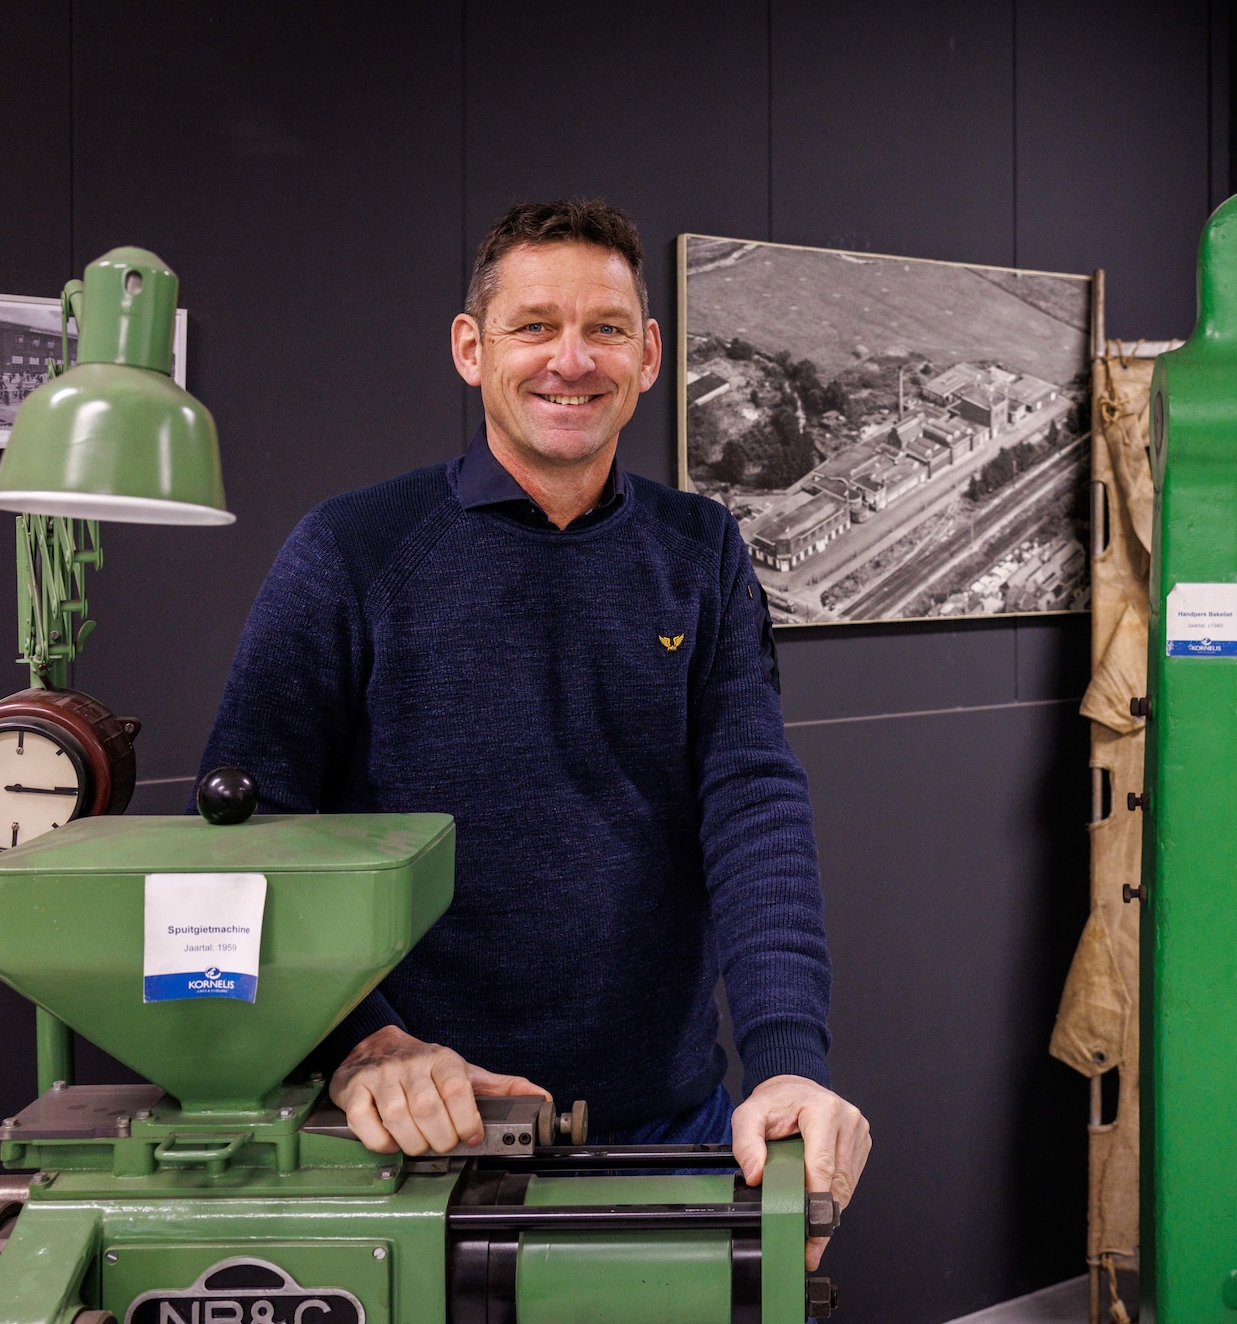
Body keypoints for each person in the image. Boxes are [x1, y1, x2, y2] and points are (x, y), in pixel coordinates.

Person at [196, 199, 868, 1265]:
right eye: (533, 326)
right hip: (421, 1136)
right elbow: (247, 828)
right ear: (472, 349)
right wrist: (360, 1040)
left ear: (648, 357)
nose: (572, 359)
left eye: (605, 328)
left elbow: (752, 802)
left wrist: (790, 1058)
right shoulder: (352, 548)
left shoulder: (702, 549)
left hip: (674, 1126)